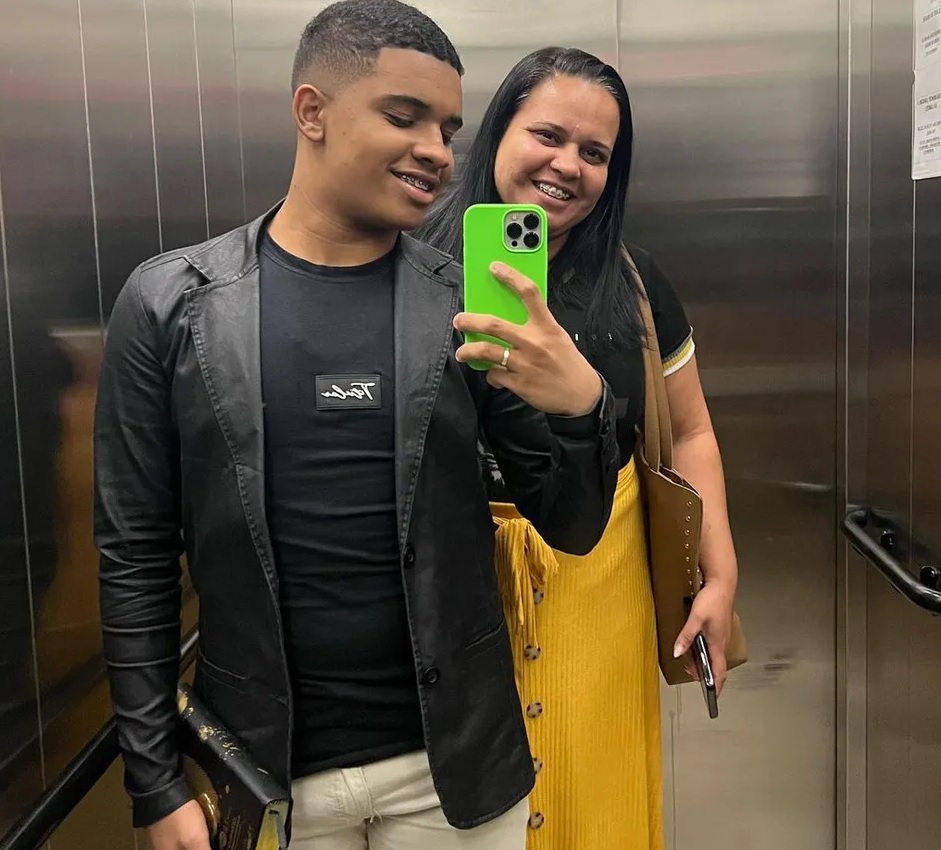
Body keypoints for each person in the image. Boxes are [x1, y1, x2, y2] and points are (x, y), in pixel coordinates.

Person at [93, 6, 620, 849]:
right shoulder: (171, 306)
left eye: (447, 130)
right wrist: (153, 783)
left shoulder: (465, 305)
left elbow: (575, 524)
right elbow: (135, 555)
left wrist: (584, 405)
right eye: (404, 117)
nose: (436, 151)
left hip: (452, 777)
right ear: (312, 111)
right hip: (266, 775)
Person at [418, 47, 740, 849]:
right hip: (446, 590)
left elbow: (691, 431)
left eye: (595, 153)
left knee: (593, 801)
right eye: (548, 135)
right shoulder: (408, 265)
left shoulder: (634, 286)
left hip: (600, 584)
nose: (568, 165)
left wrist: (720, 574)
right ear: (499, 131)